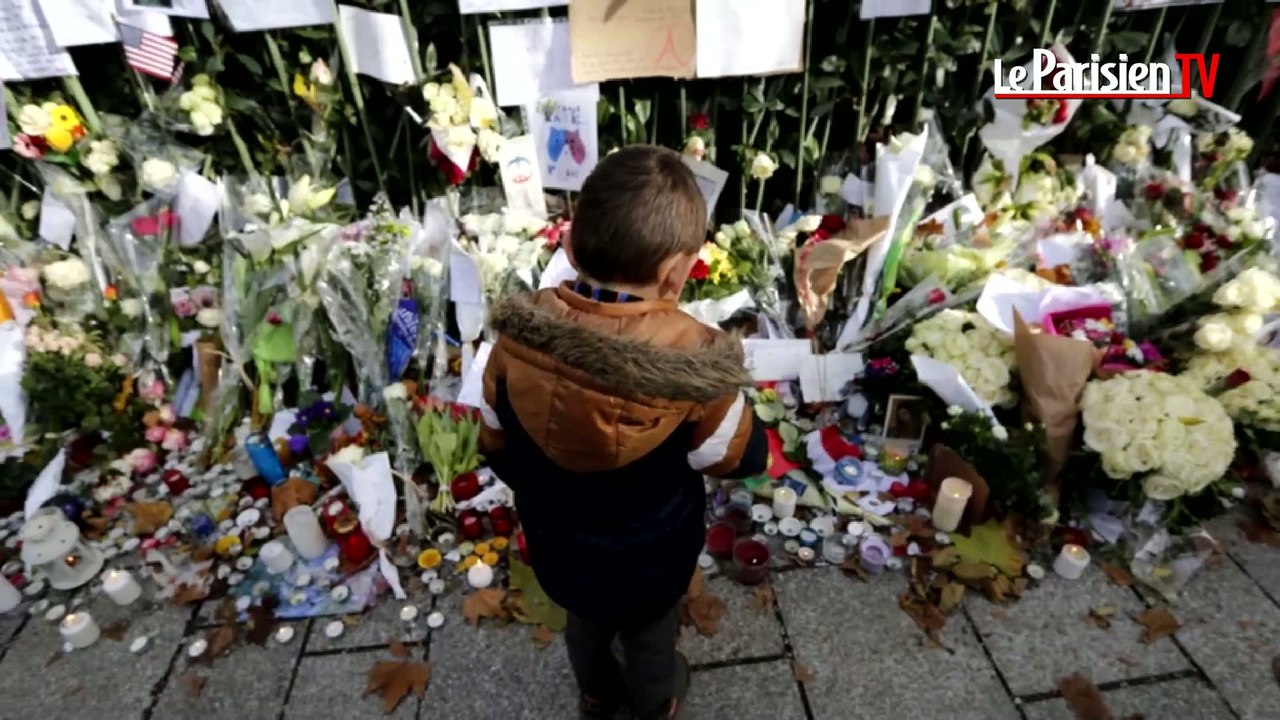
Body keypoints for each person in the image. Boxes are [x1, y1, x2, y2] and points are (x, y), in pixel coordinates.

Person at [477, 145, 768, 719]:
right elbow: (739, 456)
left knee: (583, 623)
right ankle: (657, 699)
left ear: (567, 246)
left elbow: (495, 440)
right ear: (677, 272)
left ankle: (595, 691)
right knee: (651, 635)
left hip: (559, 544)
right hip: (651, 559)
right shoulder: (696, 361)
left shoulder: (516, 338)